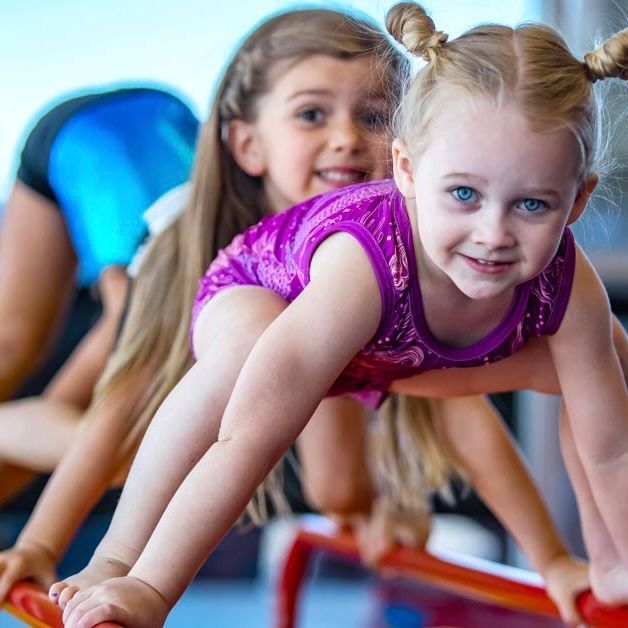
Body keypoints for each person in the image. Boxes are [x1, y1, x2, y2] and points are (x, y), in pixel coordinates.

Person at [49, 3, 628, 627]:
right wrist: (151, 586)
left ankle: (608, 562)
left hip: (384, 356)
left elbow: (610, 451)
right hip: (265, 291)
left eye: (533, 204)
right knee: (250, 359)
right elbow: (247, 436)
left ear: (577, 202)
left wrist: (574, 564)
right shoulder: (365, 264)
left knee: (610, 365)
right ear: (406, 170)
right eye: (464, 193)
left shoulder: (571, 290)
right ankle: (119, 558)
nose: (493, 234)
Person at [0, 86, 199, 403]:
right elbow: (134, 319)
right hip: (125, 133)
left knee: (13, 344)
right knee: (142, 319)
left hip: (98, 134)